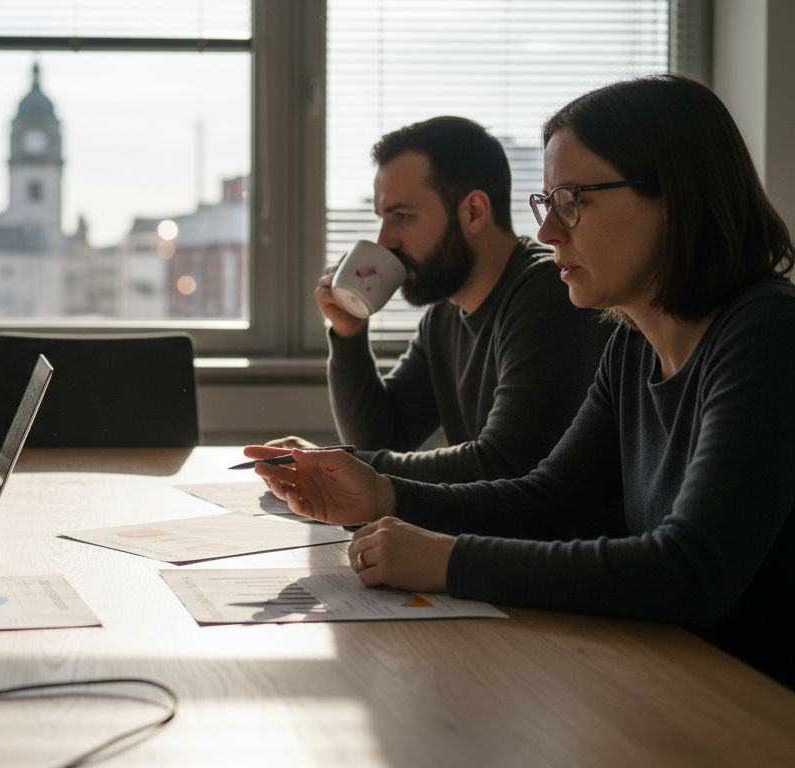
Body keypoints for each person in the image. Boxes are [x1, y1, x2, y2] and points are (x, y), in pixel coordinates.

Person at [247, 75, 795, 688]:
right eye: (547, 203)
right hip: (669, 673)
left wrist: (451, 560)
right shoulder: (631, 347)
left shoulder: (769, 331)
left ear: (675, 195)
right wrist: (383, 496)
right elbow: (549, 500)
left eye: (573, 200)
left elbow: (689, 571)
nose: (549, 231)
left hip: (754, 706)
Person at [270, 117, 611, 483]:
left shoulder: (548, 294)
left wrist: (333, 466)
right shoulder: (445, 313)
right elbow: (383, 437)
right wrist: (348, 333)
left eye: (402, 216)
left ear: (474, 212)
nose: (385, 241)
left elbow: (505, 465)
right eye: (383, 218)